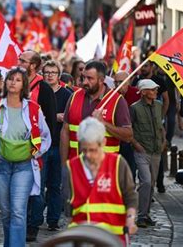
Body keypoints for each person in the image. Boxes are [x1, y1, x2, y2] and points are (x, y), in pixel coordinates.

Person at [0, 67, 51, 247]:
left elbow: (45, 136)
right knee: (7, 212)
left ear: (24, 84)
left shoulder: (33, 109)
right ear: (5, 82)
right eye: (10, 79)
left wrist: (35, 153)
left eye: (17, 79)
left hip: (24, 166)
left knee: (18, 211)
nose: (12, 82)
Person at [64, 117, 138, 244]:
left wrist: (130, 219)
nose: (88, 155)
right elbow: (69, 206)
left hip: (113, 238)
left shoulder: (118, 164)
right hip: (82, 237)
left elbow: (130, 197)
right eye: (84, 149)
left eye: (92, 150)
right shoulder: (72, 167)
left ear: (103, 143)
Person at [18, 50, 58, 242]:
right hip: (16, 147)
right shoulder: (16, 83)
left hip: (36, 149)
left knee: (36, 188)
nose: (19, 63)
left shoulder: (43, 88)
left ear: (33, 65)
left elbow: (49, 122)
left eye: (22, 61)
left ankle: (33, 224)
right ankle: (21, 222)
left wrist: (42, 149)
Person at [61, 61, 133, 164]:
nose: (85, 82)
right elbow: (65, 132)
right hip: (76, 166)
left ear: (101, 80)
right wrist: (64, 165)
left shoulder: (117, 100)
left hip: (105, 168)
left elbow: (128, 136)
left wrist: (103, 123)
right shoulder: (74, 97)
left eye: (90, 78)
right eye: (83, 77)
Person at [129, 79, 166, 228]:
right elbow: (129, 129)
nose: (156, 91)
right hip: (142, 150)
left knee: (151, 184)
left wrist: (164, 141)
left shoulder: (158, 105)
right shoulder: (134, 108)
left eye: (156, 89)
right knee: (146, 181)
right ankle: (141, 216)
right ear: (143, 92)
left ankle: (146, 214)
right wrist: (136, 145)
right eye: (152, 89)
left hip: (156, 150)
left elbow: (160, 125)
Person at [42, 60, 72, 231]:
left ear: (59, 75)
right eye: (46, 72)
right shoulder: (39, 91)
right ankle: (35, 218)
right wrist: (54, 116)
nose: (49, 75)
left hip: (59, 144)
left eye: (53, 72)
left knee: (55, 185)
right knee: (38, 185)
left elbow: (70, 117)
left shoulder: (66, 94)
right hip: (41, 145)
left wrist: (62, 117)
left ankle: (53, 220)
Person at [114, 71, 140, 181]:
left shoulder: (136, 94)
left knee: (131, 171)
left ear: (128, 81)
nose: (118, 85)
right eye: (116, 82)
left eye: (121, 82)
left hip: (134, 139)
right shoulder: (110, 96)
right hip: (117, 138)